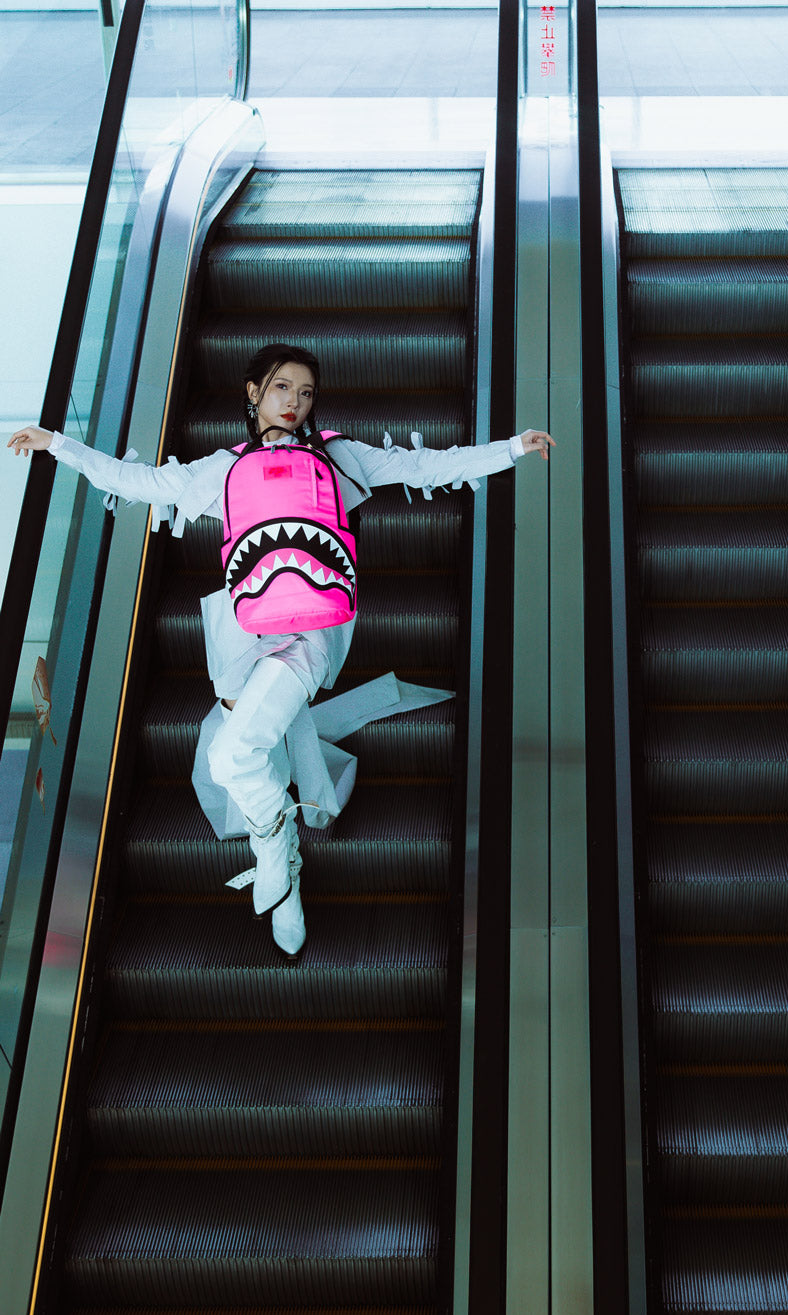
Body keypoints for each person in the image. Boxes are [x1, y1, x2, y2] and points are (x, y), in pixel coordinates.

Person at [9, 343, 554, 959]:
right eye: (281, 387)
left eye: (306, 392)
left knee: (232, 755)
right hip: (242, 634)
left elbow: (422, 467)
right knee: (248, 750)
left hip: (308, 633)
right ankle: (281, 855)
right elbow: (138, 481)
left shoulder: (338, 456)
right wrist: (58, 444)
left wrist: (511, 448)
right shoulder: (223, 468)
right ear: (253, 393)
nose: (295, 402)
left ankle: (279, 858)